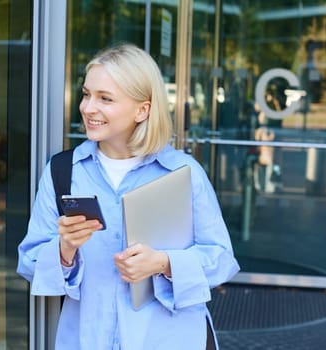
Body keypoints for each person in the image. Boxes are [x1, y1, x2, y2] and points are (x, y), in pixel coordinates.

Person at [17, 43, 239, 350]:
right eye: (86, 94)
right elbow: (28, 262)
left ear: (143, 109)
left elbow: (222, 260)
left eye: (105, 98)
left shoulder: (182, 172)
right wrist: (64, 249)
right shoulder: (63, 171)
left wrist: (163, 262)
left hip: (169, 340)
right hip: (86, 340)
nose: (87, 107)